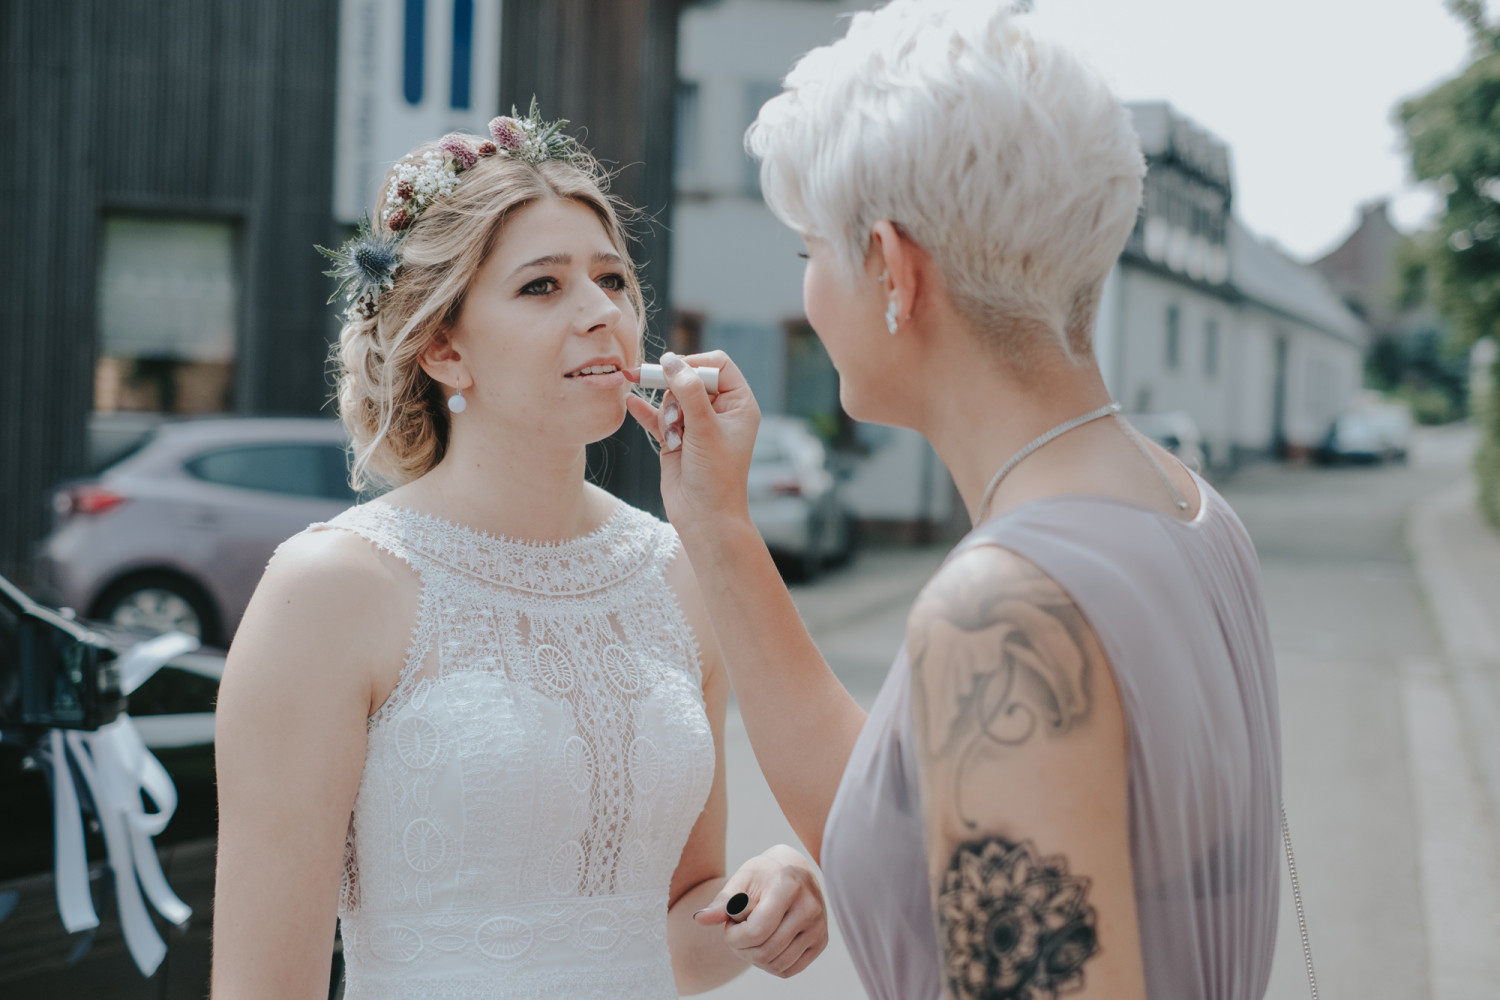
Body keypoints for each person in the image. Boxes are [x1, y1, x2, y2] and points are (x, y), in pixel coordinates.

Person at [626, 3, 1282, 999]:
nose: (806, 286)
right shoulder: (1184, 505)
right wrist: (716, 523)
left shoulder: (1006, 606)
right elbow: (903, 825)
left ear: (892, 268)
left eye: (811, 250)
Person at [210, 108, 827, 1000]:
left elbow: (672, 936)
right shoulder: (334, 589)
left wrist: (758, 899)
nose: (601, 313)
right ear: (444, 348)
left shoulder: (676, 575)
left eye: (613, 279)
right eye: (543, 287)